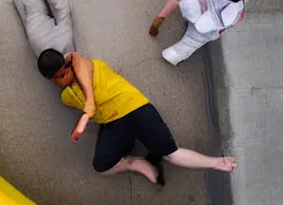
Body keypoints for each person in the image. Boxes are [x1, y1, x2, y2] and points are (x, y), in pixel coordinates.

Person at [37, 48, 237, 184]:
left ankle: (217, 163)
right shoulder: (72, 89)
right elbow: (77, 62)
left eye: (56, 79)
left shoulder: (90, 66)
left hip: (135, 108)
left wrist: (89, 107)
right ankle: (135, 164)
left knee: (171, 154)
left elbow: (79, 63)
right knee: (101, 166)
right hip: (115, 123)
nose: (56, 84)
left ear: (64, 69)